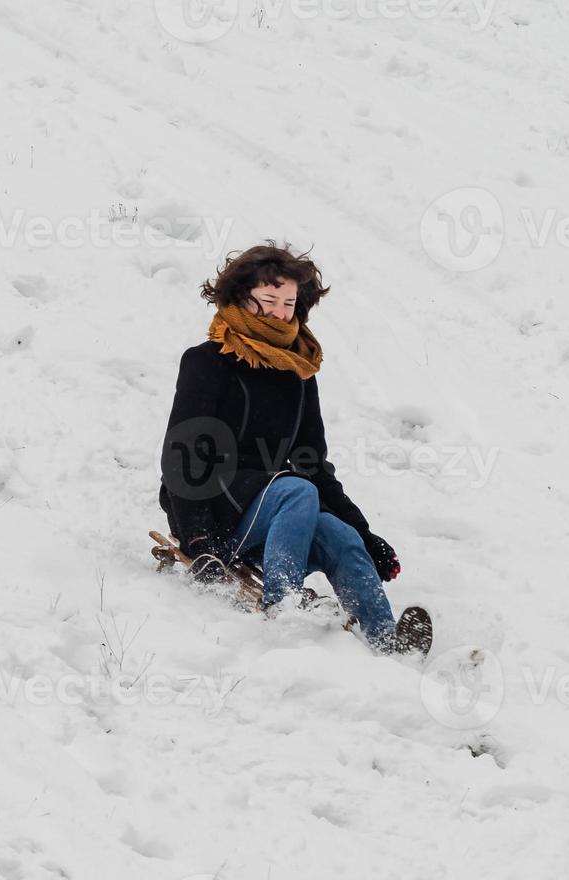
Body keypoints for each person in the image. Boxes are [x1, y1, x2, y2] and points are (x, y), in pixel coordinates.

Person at [158, 241, 431, 656]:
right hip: (214, 515)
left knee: (338, 534)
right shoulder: (207, 362)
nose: (279, 313)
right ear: (239, 297)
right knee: (295, 490)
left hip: (280, 513)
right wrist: (198, 541)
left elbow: (313, 465)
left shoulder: (298, 374)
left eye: (288, 303)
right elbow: (182, 458)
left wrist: (364, 532)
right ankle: (283, 606)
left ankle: (388, 644)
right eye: (269, 300)